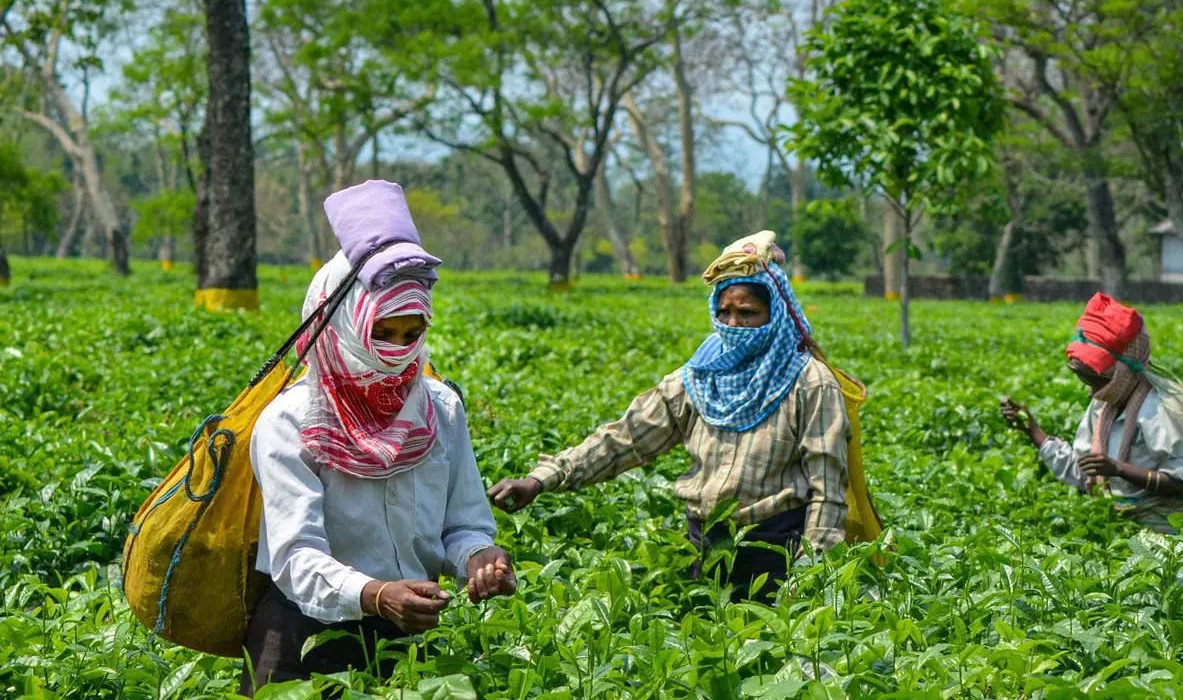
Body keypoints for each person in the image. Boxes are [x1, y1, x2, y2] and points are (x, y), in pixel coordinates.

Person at [242, 180, 517, 693]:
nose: (395, 351)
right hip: (303, 642)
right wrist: (373, 594)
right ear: (344, 325)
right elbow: (295, 557)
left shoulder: (440, 409)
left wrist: (478, 559)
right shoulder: (293, 421)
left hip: (408, 640)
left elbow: (463, 525)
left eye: (411, 336)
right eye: (381, 334)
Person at [488, 230, 849, 601]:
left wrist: (808, 578)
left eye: (748, 313)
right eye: (724, 311)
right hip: (704, 548)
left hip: (775, 554)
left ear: (775, 314)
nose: (734, 324)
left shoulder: (809, 383)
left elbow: (828, 491)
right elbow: (626, 437)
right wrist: (541, 479)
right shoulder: (699, 375)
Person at [1002, 292, 1183, 532]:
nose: (1092, 393)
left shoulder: (1158, 411)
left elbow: (1181, 483)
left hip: (1163, 530)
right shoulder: (1104, 406)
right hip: (1114, 524)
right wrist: (1032, 430)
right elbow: (1084, 470)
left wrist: (1118, 470)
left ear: (1122, 372)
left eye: (1096, 381)